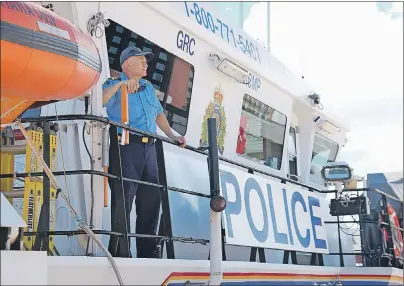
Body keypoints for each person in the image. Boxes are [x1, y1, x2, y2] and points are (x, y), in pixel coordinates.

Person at [102, 46, 186, 258]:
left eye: (145, 61)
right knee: (124, 198)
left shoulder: (147, 87)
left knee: (151, 199)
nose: (146, 64)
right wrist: (121, 84)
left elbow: (158, 115)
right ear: (127, 64)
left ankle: (147, 252)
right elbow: (100, 100)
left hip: (150, 148)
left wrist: (172, 135)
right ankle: (120, 252)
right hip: (126, 145)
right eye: (141, 60)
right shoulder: (112, 84)